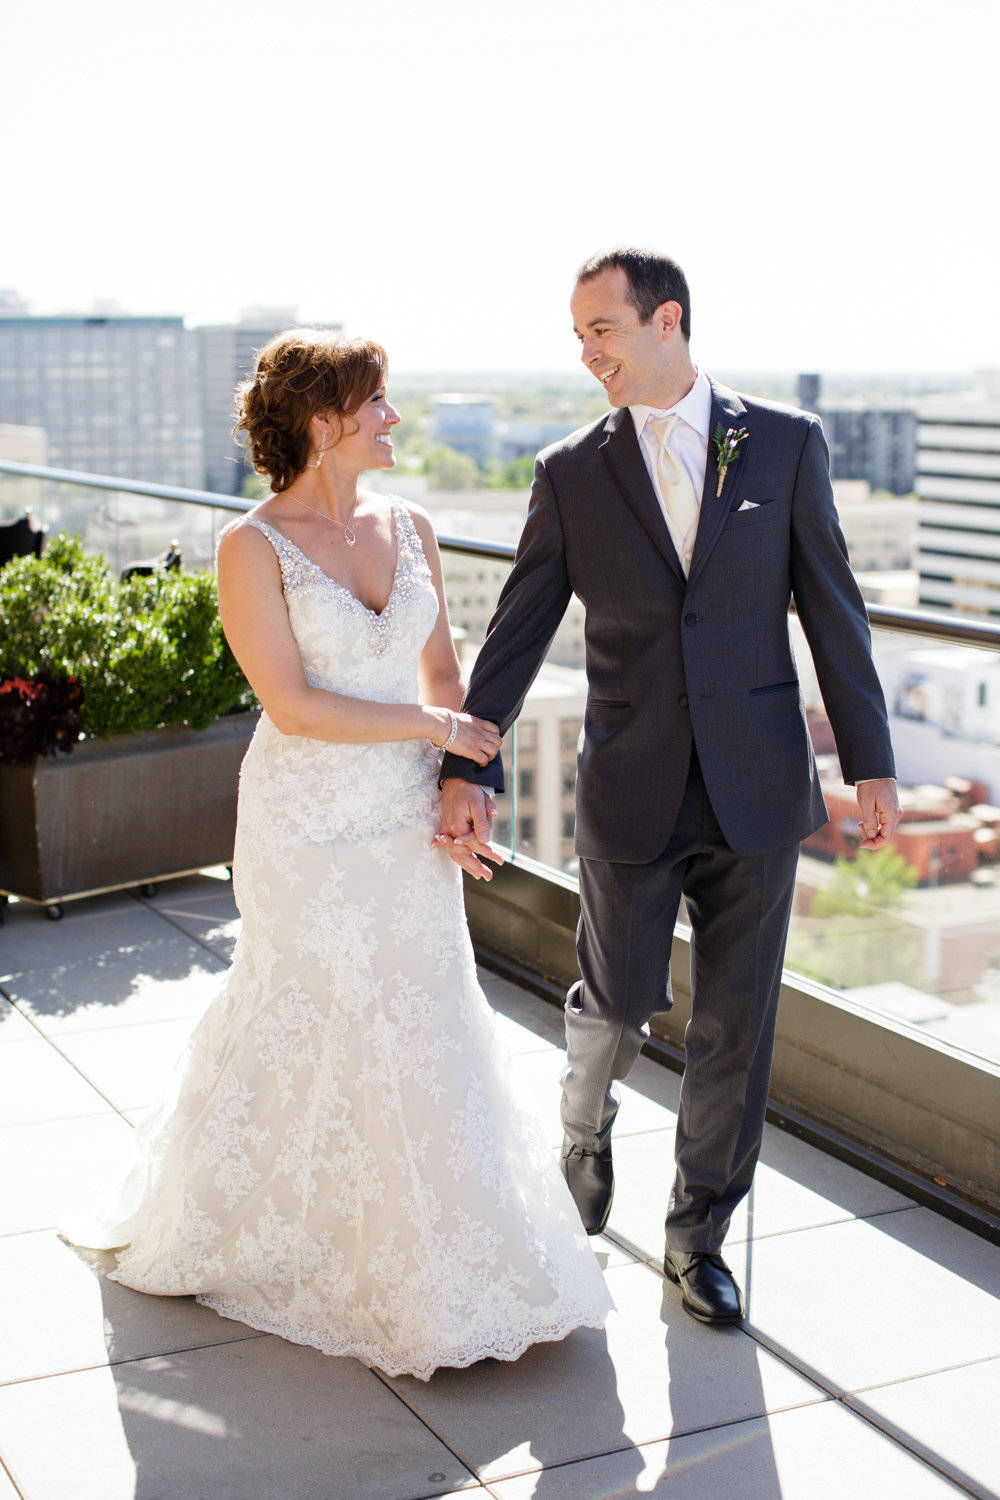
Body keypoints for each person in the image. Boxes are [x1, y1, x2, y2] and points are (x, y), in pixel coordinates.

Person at [62, 329, 611, 1380]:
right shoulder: (250, 546)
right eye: (379, 404)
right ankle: (253, 1223)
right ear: (324, 422)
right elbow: (296, 706)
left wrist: (462, 791)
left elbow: (444, 675)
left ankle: (444, 1257)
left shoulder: (412, 526)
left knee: (422, 1007)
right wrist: (436, 735)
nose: (394, 420)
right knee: (313, 999)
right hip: (303, 819)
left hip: (404, 810)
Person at [436, 249, 901, 1326]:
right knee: (616, 999)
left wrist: (868, 759)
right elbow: (516, 632)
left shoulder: (783, 443)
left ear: (667, 322)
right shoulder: (568, 470)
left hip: (757, 786)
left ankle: (698, 1239)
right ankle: (584, 1127)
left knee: (738, 1026)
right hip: (632, 785)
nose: (585, 351)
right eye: (577, 335)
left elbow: (832, 604)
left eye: (600, 328)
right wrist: (471, 760)